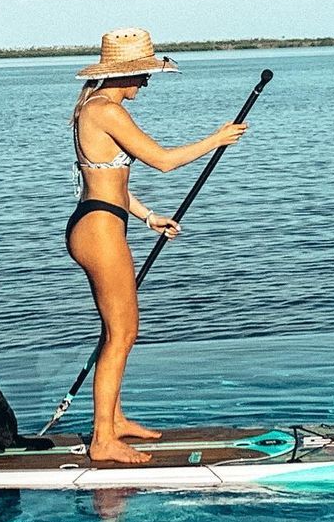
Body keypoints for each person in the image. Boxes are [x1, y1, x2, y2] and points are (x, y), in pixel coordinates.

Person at [65, 27, 248, 463]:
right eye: (143, 73)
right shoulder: (106, 111)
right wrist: (216, 139)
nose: (146, 82)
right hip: (99, 230)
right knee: (124, 332)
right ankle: (102, 440)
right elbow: (163, 161)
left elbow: (107, 180)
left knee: (115, 330)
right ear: (122, 72)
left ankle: (114, 420)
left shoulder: (92, 107)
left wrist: (148, 217)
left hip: (99, 221)